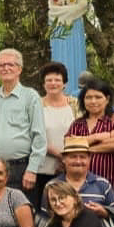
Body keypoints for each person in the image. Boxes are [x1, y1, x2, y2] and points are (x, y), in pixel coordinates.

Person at [0, 48, 46, 195]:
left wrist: (32, 169)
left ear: (19, 69)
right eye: (1, 65)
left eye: (11, 64)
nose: (6, 68)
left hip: (19, 169)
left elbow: (39, 136)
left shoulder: (30, 97)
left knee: (20, 214)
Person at [64, 78, 114, 194]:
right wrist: (97, 137)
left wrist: (86, 148)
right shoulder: (78, 124)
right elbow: (68, 144)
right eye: (88, 97)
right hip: (79, 188)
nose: (93, 101)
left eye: (98, 97)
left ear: (107, 99)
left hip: (112, 187)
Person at [34, 61, 78, 199]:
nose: (53, 83)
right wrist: (60, 156)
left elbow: (81, 132)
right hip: (42, 168)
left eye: (57, 80)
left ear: (64, 83)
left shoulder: (75, 104)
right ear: (43, 84)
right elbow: (34, 136)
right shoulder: (36, 105)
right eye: (49, 80)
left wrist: (67, 159)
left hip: (71, 168)